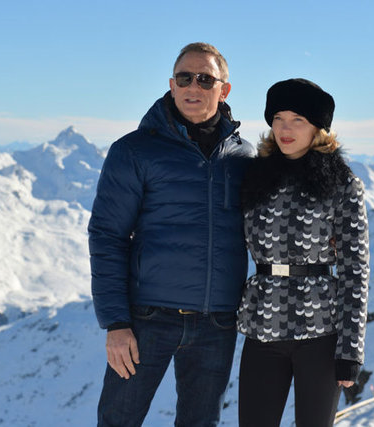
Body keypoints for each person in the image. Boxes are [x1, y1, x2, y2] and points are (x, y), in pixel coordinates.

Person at [88, 42, 255, 427]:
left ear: (224, 90)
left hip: (217, 322)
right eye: (184, 78)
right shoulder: (135, 151)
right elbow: (107, 236)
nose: (193, 86)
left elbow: (266, 225)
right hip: (146, 319)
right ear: (171, 84)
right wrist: (116, 323)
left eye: (205, 79)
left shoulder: (243, 158)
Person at [236, 78, 370, 427]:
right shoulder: (254, 177)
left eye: (298, 119)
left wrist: (350, 350)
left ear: (318, 128)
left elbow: (355, 269)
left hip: (320, 332)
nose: (285, 129)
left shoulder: (342, 183)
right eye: (278, 118)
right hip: (262, 326)